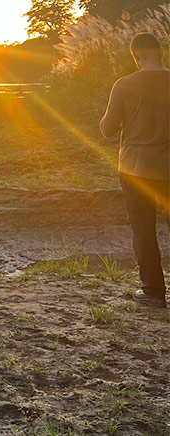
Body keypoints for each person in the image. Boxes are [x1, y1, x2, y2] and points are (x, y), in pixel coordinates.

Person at [100, 32, 170, 309]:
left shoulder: (124, 85)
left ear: (136, 56)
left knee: (144, 229)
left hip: (135, 168)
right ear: (162, 53)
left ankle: (153, 291)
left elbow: (107, 130)